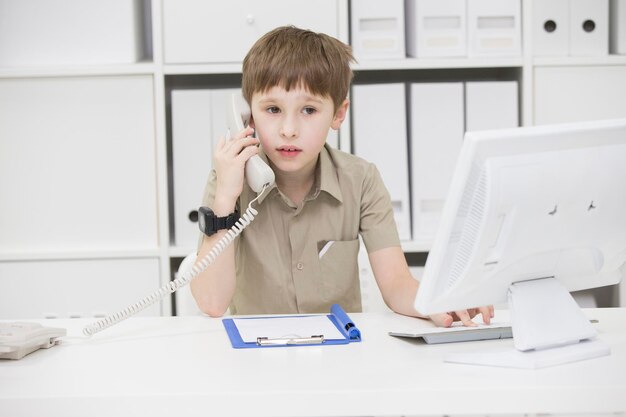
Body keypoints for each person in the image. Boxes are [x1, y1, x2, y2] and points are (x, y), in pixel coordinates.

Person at [190, 25, 493, 327]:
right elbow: (212, 303)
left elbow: (397, 284)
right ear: (248, 116)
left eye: (308, 110)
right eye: (272, 109)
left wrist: (440, 302)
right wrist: (226, 200)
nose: (289, 129)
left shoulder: (361, 180)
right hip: (255, 355)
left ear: (338, 113)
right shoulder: (229, 180)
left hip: (340, 356)